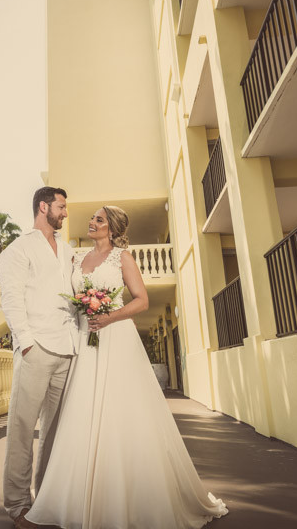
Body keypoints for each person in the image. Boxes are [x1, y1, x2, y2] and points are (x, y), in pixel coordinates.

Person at [22, 206, 228, 529]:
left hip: (116, 340)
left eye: (99, 220)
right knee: (82, 415)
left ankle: (123, 504)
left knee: (120, 415)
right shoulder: (77, 259)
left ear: (113, 229)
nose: (91, 222)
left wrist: (108, 316)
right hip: (85, 343)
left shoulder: (123, 258)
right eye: (92, 218)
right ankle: (70, 502)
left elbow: (141, 300)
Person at [0, 187, 80, 527]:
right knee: (22, 429)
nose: (64, 213)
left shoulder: (68, 250)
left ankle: (44, 500)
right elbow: (12, 299)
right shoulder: (17, 250)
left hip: (68, 348)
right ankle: (17, 507)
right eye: (61, 207)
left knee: (54, 433)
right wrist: (26, 342)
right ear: (43, 207)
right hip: (36, 349)